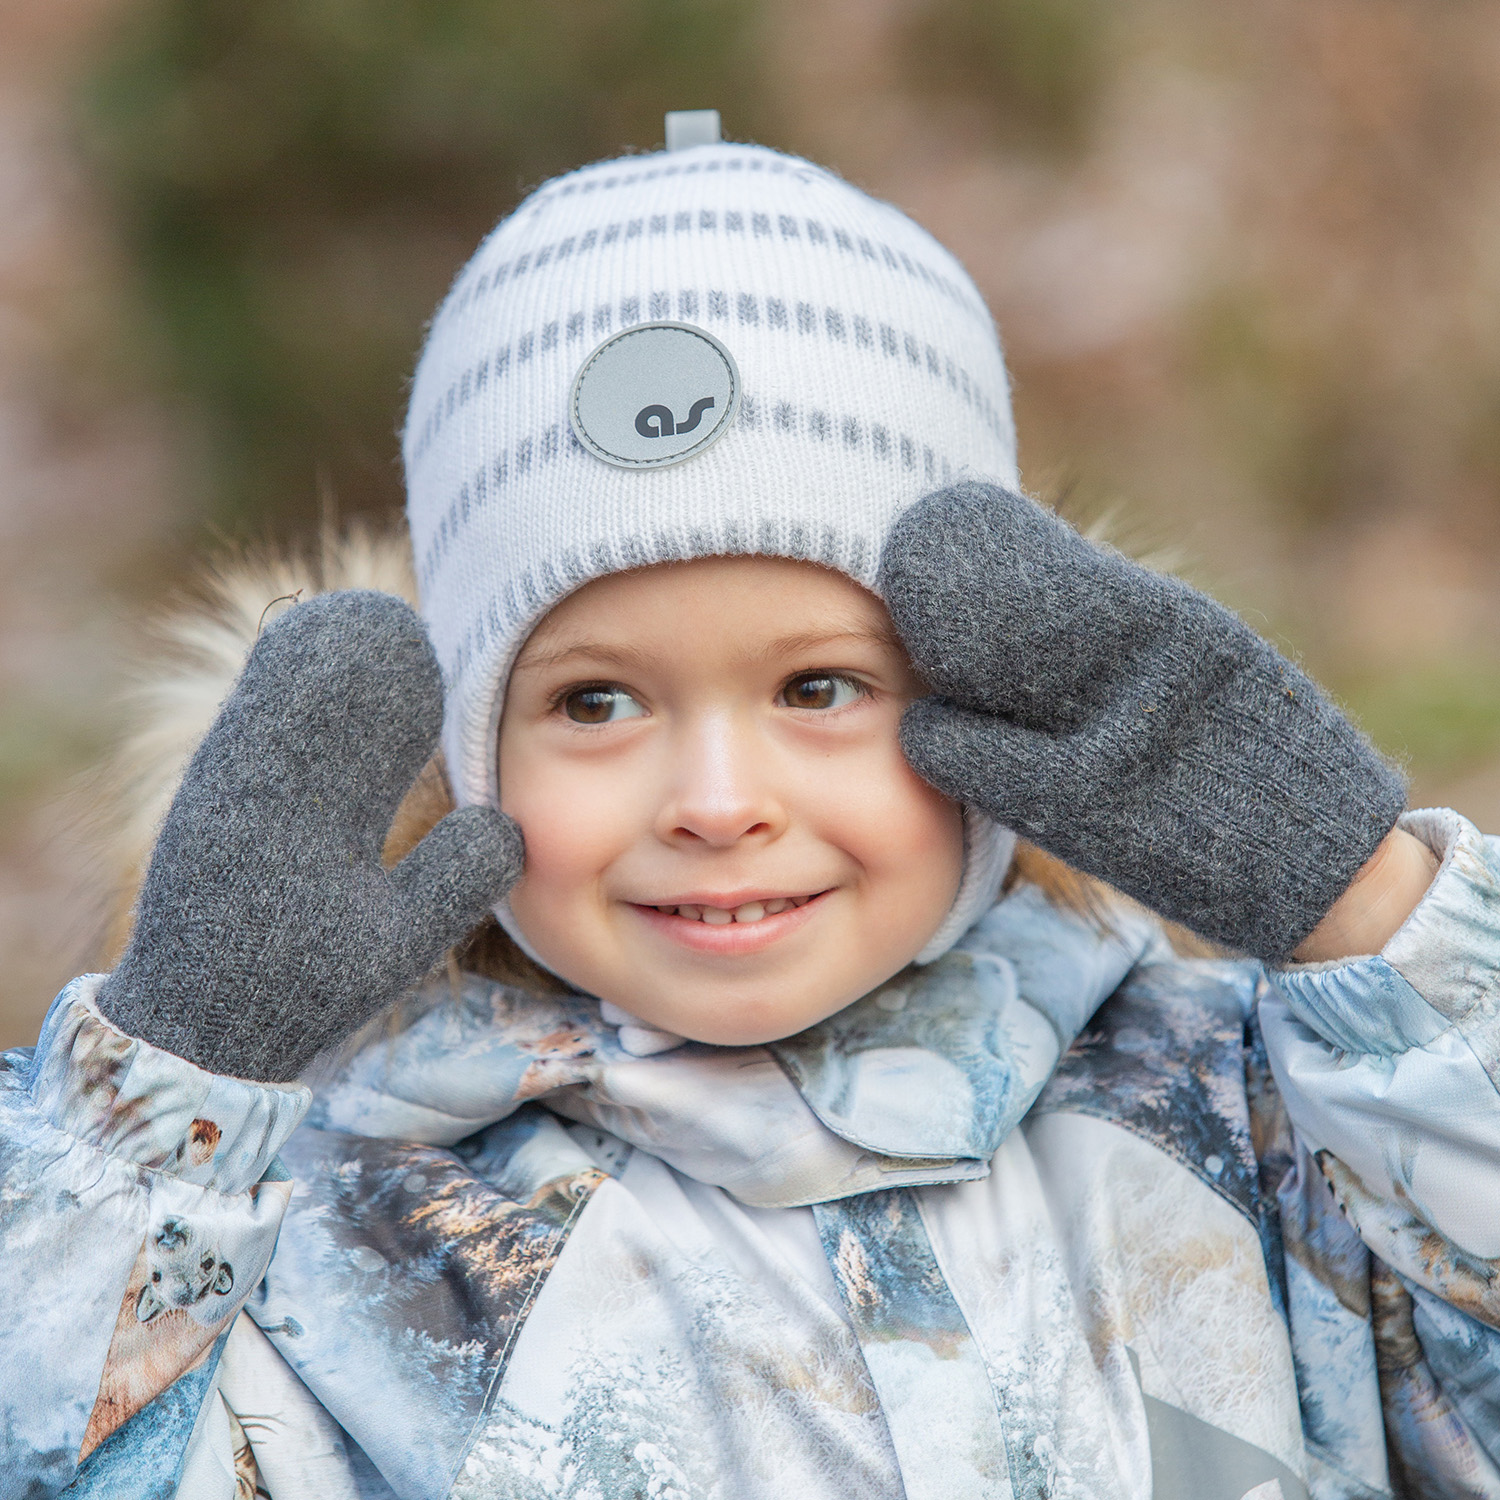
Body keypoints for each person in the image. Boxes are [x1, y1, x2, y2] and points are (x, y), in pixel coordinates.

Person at [3, 123, 1498, 1500]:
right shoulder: (343, 1228)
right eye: (596, 703)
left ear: (994, 671)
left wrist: (1369, 915)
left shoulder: (1252, 1111)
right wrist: (160, 1119)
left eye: (821, 688)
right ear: (466, 752)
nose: (717, 803)